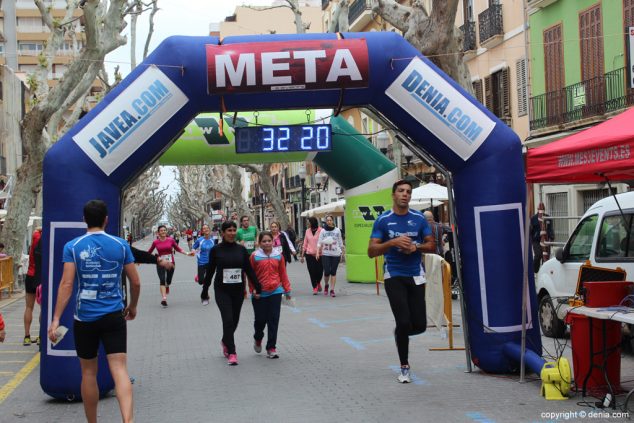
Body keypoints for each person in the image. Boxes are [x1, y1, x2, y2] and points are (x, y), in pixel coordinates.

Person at [48, 199, 141, 423]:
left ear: (84, 220)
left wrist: (56, 318)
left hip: (85, 318)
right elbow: (135, 282)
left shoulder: (72, 246)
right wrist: (133, 306)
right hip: (114, 315)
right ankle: (127, 420)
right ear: (106, 219)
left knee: (88, 373)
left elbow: (67, 285)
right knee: (119, 369)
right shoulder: (120, 245)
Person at [367, 180, 436, 384]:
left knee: (420, 325)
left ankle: (400, 333)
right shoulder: (383, 220)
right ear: (393, 195)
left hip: (416, 275)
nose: (405, 194)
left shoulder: (419, 218)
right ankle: (404, 366)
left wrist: (415, 247)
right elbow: (371, 252)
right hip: (394, 274)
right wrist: (392, 243)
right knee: (404, 321)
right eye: (401, 191)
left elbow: (431, 245)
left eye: (408, 192)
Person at [202, 221, 262, 365]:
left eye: (234, 230)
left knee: (234, 321)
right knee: (228, 319)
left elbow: (248, 270)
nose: (232, 233)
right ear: (222, 233)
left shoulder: (241, 250)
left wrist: (258, 287)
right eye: (229, 230)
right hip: (222, 290)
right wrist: (204, 291)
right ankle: (232, 352)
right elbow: (210, 272)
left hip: (238, 290)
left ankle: (225, 340)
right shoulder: (216, 250)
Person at [248, 231, 291, 359]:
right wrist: (253, 290)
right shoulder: (254, 256)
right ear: (259, 243)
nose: (267, 243)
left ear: (273, 242)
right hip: (260, 293)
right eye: (264, 241)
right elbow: (250, 275)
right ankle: (258, 338)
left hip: (276, 291)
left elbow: (283, 273)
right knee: (260, 320)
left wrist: (287, 290)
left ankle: (271, 347)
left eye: (269, 241)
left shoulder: (278, 256)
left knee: (273, 320)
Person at [147, 225, 192, 308]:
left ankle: (167, 285)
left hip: (171, 263)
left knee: (169, 280)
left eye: (164, 230)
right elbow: (149, 252)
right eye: (161, 230)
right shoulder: (155, 242)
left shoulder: (171, 240)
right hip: (160, 263)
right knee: (162, 280)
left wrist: (187, 253)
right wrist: (140, 260)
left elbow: (178, 249)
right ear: (158, 232)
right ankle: (164, 299)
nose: (163, 232)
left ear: (166, 231)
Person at [316, 215, 345, 297]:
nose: (329, 221)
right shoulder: (323, 231)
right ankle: (326, 285)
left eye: (330, 220)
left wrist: (343, 252)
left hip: (336, 253)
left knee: (333, 272)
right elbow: (319, 242)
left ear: (333, 221)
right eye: (327, 220)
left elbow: (340, 242)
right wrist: (318, 252)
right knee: (327, 272)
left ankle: (332, 290)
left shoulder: (337, 230)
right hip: (326, 253)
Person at [23, 227, 42, 346]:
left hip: (30, 275)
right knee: (43, 308)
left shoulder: (35, 235)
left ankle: (26, 336)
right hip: (40, 276)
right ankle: (40, 336)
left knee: (29, 307)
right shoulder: (45, 237)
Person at [192, 224, 215, 305]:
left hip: (211, 263)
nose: (205, 230)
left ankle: (205, 293)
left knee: (208, 281)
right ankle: (199, 277)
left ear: (209, 230)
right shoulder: (199, 240)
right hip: (201, 262)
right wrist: (193, 251)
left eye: (207, 228)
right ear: (202, 231)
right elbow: (193, 247)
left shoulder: (213, 239)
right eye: (204, 229)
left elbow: (215, 250)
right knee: (201, 281)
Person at [530, 202, 555, 274]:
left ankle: (545, 271)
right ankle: (535, 270)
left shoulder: (548, 218)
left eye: (543, 209)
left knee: (546, 257)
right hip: (536, 241)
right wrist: (538, 234)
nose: (541, 210)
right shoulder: (533, 219)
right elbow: (531, 232)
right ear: (537, 209)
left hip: (546, 240)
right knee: (538, 255)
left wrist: (552, 238)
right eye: (540, 209)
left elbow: (550, 229)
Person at [301, 217, 323, 294]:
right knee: (312, 272)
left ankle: (318, 282)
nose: (307, 224)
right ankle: (315, 287)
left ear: (312, 222)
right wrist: (302, 255)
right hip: (309, 255)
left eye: (308, 222)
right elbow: (305, 243)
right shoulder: (307, 231)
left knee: (320, 271)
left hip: (320, 254)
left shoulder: (321, 231)